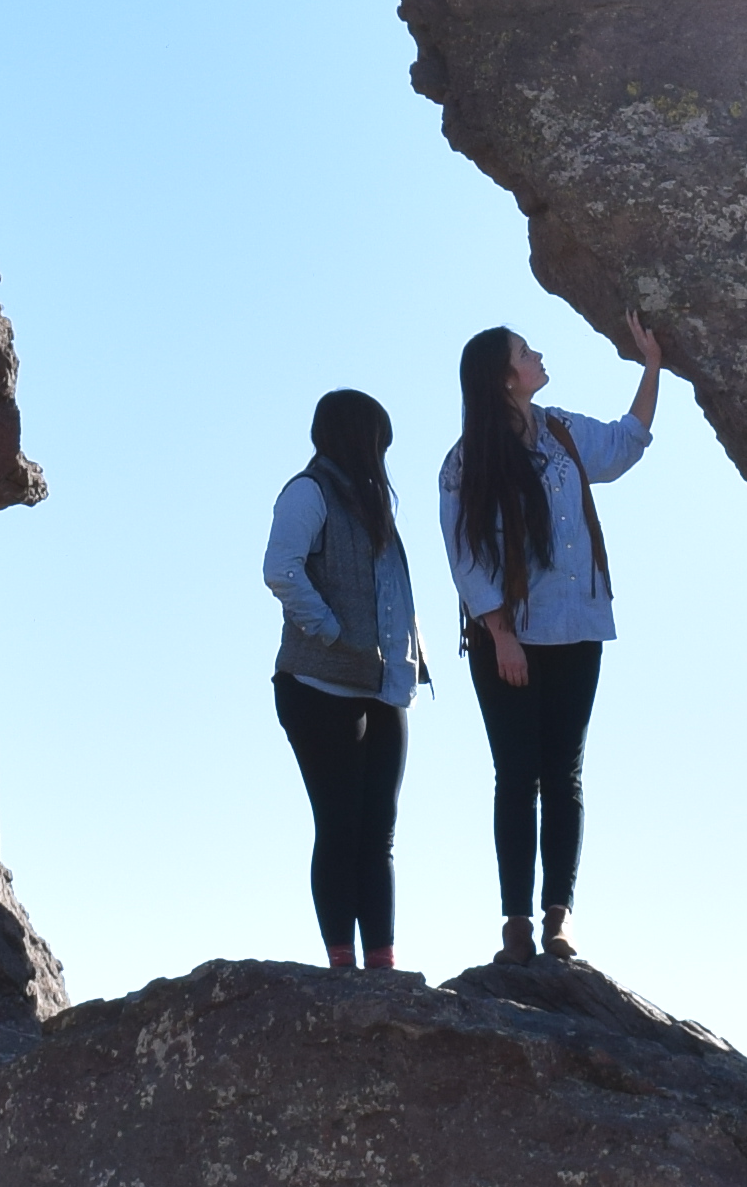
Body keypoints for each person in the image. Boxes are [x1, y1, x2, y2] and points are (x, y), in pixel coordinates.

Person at [440, 318, 669, 964]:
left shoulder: (562, 432)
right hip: (506, 638)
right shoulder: (464, 463)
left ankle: (558, 919)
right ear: (504, 377)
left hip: (578, 627)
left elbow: (626, 445)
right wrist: (502, 635)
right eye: (524, 352)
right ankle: (515, 922)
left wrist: (651, 368)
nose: (537, 355)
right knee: (517, 774)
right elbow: (465, 558)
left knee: (564, 773)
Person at [261, 388, 426, 969]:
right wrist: (331, 632)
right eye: (379, 440)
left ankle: (380, 967)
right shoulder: (310, 492)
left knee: (378, 832)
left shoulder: (371, 503)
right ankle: (341, 966)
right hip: (318, 687)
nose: (383, 454)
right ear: (358, 436)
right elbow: (280, 568)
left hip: (385, 689)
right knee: (339, 824)